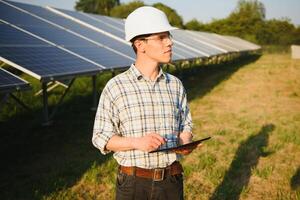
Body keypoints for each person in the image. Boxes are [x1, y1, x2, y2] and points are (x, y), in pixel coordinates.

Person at [92, 6, 199, 200]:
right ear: (140, 45)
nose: (169, 43)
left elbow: (186, 124)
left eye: (169, 36)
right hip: (133, 184)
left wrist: (185, 140)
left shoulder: (175, 85)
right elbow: (101, 137)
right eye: (161, 37)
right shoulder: (116, 87)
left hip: (171, 181)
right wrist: (137, 142)